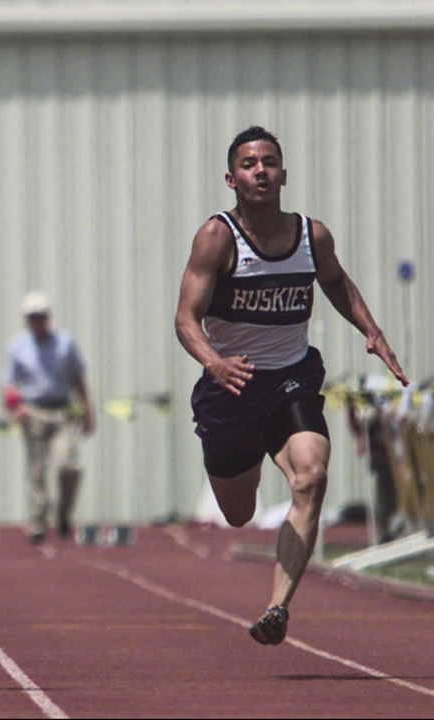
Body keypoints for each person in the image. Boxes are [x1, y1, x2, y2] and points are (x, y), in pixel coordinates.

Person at [174, 126, 407, 646]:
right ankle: (247, 458)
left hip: (291, 379)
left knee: (312, 475)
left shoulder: (311, 235)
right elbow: (186, 318)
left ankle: (277, 607)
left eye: (270, 162)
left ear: (283, 173)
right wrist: (213, 362)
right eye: (251, 164)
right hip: (231, 388)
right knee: (238, 514)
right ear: (231, 179)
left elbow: (336, 282)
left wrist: (372, 332)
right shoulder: (216, 237)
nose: (262, 171)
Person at [2, 290, 94, 544]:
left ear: (48, 317)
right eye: (32, 317)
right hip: (32, 411)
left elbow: (78, 379)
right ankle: (38, 521)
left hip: (62, 410)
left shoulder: (65, 342)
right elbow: (9, 383)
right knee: (37, 469)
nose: (37, 321)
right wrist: (15, 407)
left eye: (40, 316)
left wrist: (88, 413)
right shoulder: (17, 346)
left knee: (68, 464)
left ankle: (64, 512)